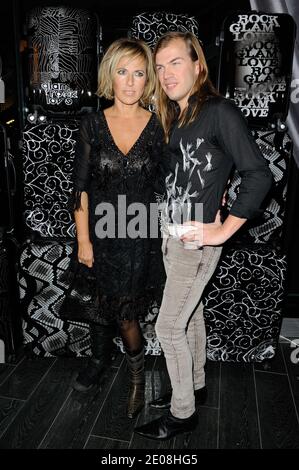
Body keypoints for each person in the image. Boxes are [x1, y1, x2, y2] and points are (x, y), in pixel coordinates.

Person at [134, 31, 273, 440]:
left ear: (198, 65)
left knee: (168, 328)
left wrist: (223, 231)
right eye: (160, 67)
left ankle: (182, 414)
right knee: (189, 317)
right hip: (172, 235)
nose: (165, 73)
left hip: (196, 242)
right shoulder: (178, 113)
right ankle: (193, 386)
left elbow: (259, 175)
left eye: (175, 62)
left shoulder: (219, 111)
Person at [70, 37, 164, 419]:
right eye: (122, 71)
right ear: (110, 74)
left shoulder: (160, 127)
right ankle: (98, 362)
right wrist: (84, 241)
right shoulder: (92, 124)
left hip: (140, 239)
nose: (129, 82)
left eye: (138, 73)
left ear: (148, 81)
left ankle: (138, 376)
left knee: (126, 315)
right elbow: (81, 188)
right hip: (100, 235)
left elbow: (172, 182)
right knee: (97, 305)